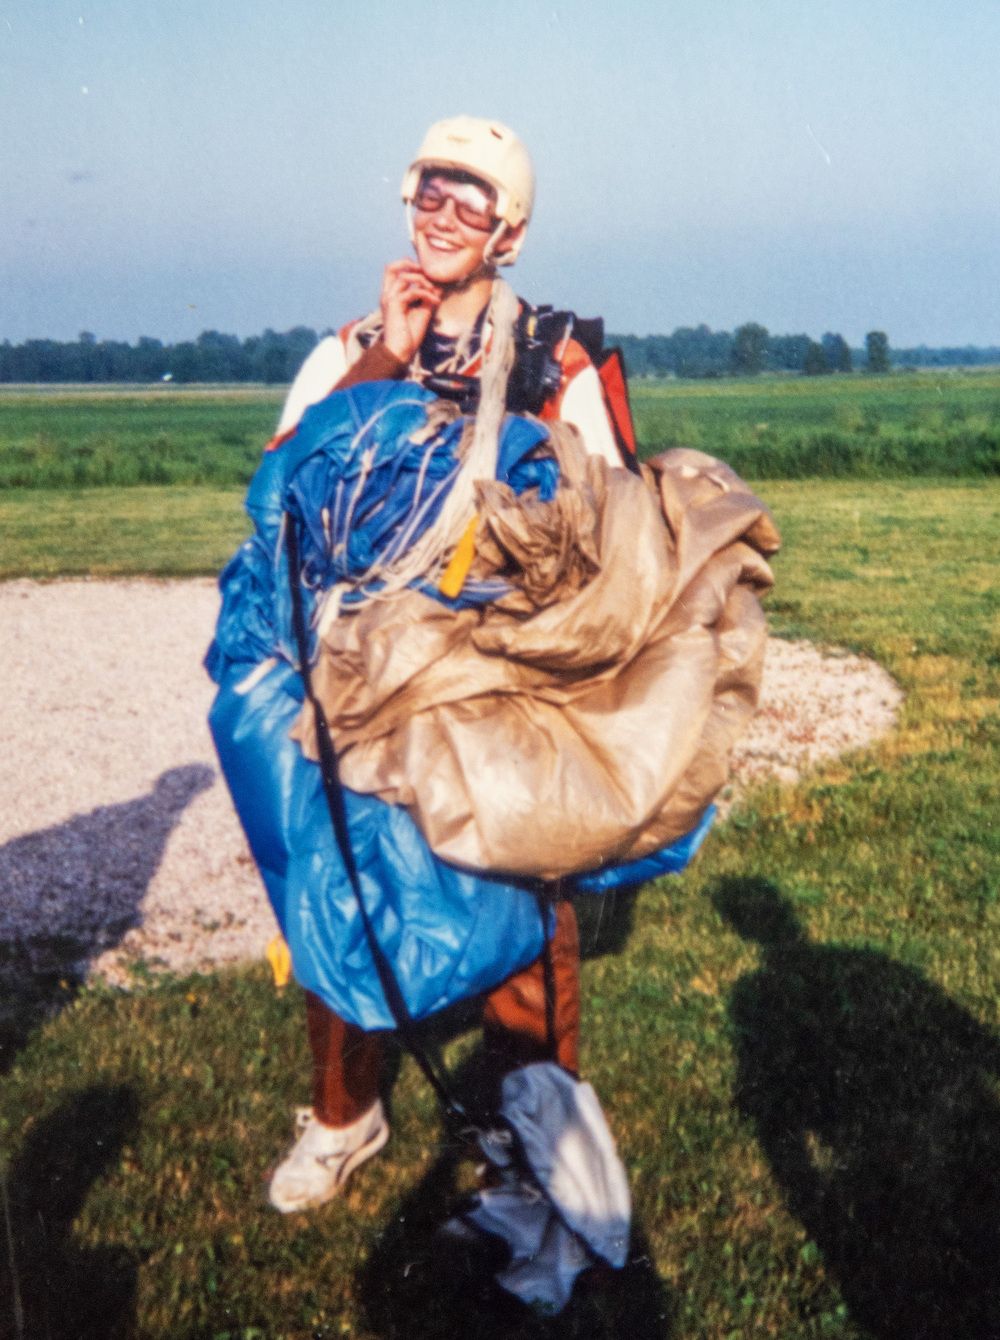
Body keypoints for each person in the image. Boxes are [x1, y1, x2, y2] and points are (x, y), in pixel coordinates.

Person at [267, 115, 625, 1213]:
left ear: (507, 229)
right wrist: (387, 347)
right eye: (428, 189)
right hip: (366, 676)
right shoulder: (346, 346)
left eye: (469, 200)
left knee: (524, 896)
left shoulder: (559, 358)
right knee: (344, 887)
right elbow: (280, 487)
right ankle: (344, 1111)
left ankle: (531, 1137)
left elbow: (611, 521)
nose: (441, 214)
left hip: (499, 668)